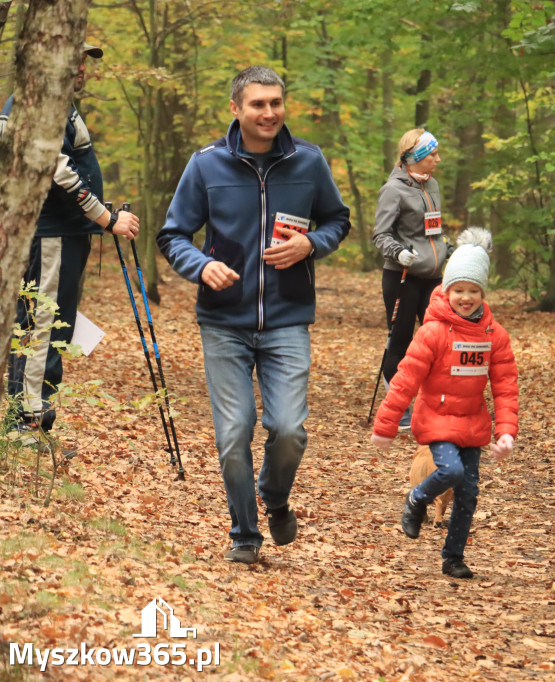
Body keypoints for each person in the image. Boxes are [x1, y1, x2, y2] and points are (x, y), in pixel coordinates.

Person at [157, 66, 351, 565]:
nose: (268, 113)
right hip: (224, 322)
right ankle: (245, 534)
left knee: (288, 429)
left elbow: (338, 220)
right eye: (258, 104)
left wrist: (310, 243)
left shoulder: (308, 161)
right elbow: (172, 234)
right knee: (234, 431)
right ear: (236, 109)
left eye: (276, 103)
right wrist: (202, 267)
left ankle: (275, 495)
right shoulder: (206, 166)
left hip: (287, 319)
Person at [3, 42, 140, 431]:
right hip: (52, 236)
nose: (81, 68)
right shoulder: (40, 101)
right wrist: (105, 217)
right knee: (42, 326)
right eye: (73, 60)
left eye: (84, 62)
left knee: (52, 324)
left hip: (62, 236)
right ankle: (27, 424)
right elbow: (57, 171)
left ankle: (32, 417)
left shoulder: (53, 103)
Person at [370, 228, 518, 580]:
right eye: (459, 290)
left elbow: (505, 385)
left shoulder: (493, 335)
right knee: (451, 473)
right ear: (446, 290)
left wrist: (506, 431)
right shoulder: (433, 332)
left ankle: (453, 557)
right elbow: (406, 379)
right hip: (436, 418)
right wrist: (385, 425)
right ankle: (417, 498)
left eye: (473, 291)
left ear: (483, 293)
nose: (465, 298)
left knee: (467, 494)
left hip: (472, 423)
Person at [371, 128, 449, 431]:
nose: (438, 160)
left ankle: (440, 406)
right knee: (400, 341)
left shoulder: (433, 186)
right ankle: (399, 407)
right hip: (402, 276)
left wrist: (447, 247)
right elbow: (381, 235)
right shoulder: (393, 189)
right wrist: (398, 252)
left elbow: (432, 231)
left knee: (440, 342)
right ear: (415, 157)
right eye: (432, 154)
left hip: (433, 277)